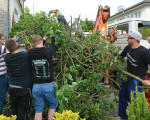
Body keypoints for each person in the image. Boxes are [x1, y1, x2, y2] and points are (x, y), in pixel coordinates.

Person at [118, 31, 150, 120]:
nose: (127, 39)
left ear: (134, 39)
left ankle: (135, 117)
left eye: (129, 38)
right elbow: (120, 57)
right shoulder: (128, 48)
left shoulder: (144, 51)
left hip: (138, 79)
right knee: (122, 95)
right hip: (128, 76)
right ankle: (123, 117)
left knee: (134, 100)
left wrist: (149, 79)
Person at [28, 35, 58, 120]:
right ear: (42, 41)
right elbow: (53, 46)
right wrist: (53, 38)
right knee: (53, 104)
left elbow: (38, 48)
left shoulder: (30, 53)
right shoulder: (48, 51)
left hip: (36, 86)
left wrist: (43, 40)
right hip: (48, 85)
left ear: (33, 44)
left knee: (38, 110)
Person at [4, 38, 32, 120]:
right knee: (22, 112)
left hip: (12, 88)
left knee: (14, 112)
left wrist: (15, 43)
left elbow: (9, 50)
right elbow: (34, 51)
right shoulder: (25, 56)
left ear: (8, 49)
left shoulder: (7, 58)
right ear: (16, 46)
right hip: (24, 88)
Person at [0, 33, 9, 115]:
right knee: (1, 98)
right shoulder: (1, 48)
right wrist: (14, 40)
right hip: (1, 77)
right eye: (3, 39)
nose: (4, 40)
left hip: (4, 75)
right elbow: (8, 47)